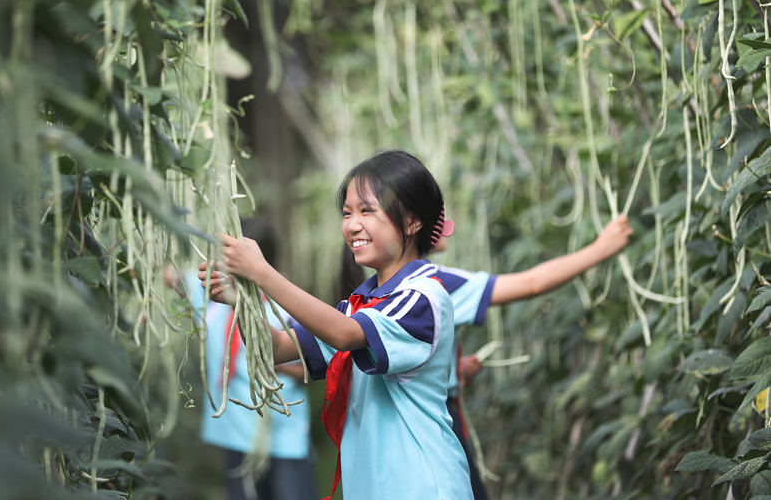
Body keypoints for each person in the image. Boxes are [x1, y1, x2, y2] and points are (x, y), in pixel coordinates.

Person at [200, 149, 473, 500]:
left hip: (422, 487)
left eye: (367, 210)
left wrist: (261, 272)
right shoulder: (360, 305)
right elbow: (277, 349)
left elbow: (345, 336)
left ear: (411, 221)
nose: (352, 224)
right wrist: (245, 301)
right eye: (347, 213)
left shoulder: (423, 297)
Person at [432, 215, 633, 499]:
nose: (448, 225)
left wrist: (448, 369)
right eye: (439, 216)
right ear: (413, 222)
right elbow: (532, 283)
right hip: (440, 422)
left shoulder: (383, 290)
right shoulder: (436, 284)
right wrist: (601, 248)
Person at [170, 217, 316, 500]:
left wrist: (268, 363)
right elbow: (172, 275)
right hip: (236, 436)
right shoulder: (213, 302)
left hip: (283, 438)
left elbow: (309, 371)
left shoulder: (283, 311)